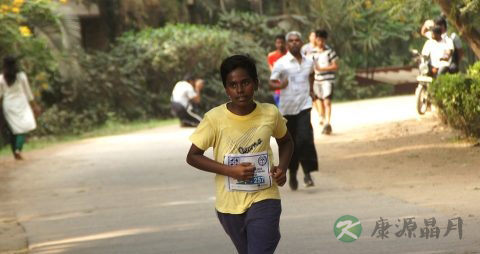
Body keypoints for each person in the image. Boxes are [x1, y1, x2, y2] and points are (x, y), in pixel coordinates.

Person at [186, 54, 294, 254]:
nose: (240, 89)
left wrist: (282, 168)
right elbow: (193, 156)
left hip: (265, 197)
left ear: (256, 83)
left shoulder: (270, 113)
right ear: (226, 89)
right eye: (233, 84)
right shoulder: (214, 119)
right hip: (229, 206)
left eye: (245, 83)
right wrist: (230, 170)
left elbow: (286, 141)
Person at [269, 31, 319, 190]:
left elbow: (311, 74)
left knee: (305, 139)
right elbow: (271, 83)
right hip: (287, 109)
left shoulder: (308, 61)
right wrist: (280, 86)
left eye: (297, 40)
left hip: (304, 105)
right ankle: (292, 172)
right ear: (286, 44)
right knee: (291, 144)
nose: (294, 43)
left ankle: (307, 174)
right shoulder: (281, 63)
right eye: (291, 41)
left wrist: (311, 90)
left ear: (301, 42)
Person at [0, 56, 39, 160]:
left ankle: (15, 152)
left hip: (8, 105)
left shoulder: (1, 78)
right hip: (22, 104)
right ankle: (18, 150)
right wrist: (34, 105)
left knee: (15, 129)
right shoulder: (21, 76)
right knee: (23, 127)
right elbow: (28, 92)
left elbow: (0, 95)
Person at [311, 29, 338, 135]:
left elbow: (335, 66)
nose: (321, 42)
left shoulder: (330, 52)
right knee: (318, 101)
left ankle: (327, 122)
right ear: (316, 40)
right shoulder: (311, 53)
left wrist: (321, 69)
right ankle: (322, 117)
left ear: (325, 40)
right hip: (316, 80)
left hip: (328, 80)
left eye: (323, 40)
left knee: (327, 101)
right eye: (319, 40)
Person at [267, 34, 287, 106]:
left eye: (282, 42)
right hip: (278, 87)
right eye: (278, 43)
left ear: (285, 43)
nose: (280, 45)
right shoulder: (271, 56)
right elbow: (272, 71)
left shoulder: (290, 55)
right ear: (275, 44)